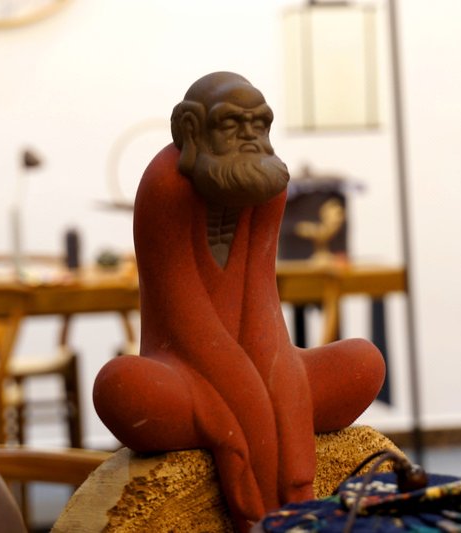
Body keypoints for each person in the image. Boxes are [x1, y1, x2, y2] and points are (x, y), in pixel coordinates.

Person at [93, 72, 385, 533]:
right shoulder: (168, 182)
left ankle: (271, 448)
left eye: (259, 124)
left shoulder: (267, 182)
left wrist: (281, 397)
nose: (249, 136)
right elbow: (187, 322)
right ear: (192, 128)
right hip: (185, 368)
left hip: (261, 363)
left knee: (364, 362)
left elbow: (262, 306)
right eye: (232, 124)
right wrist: (254, 420)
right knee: (122, 388)